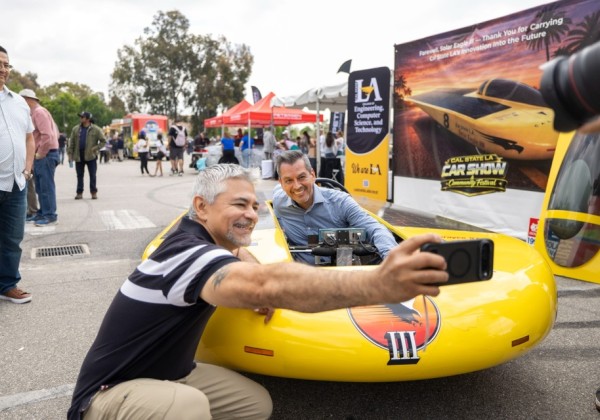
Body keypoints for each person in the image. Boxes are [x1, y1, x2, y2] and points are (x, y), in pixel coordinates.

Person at [67, 164, 449, 420]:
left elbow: (240, 255)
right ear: (201, 207)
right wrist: (379, 284)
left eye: (254, 205)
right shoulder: (186, 252)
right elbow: (267, 283)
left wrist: (250, 266)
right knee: (188, 406)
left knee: (254, 405)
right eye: (238, 204)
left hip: (169, 374)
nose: (251, 214)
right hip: (107, 393)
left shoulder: (204, 240)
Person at [272, 150, 398, 265]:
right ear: (281, 183)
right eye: (288, 180)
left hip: (341, 274)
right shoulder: (279, 202)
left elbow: (376, 229)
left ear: (312, 175)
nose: (296, 186)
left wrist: (392, 260)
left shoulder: (340, 202)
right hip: (300, 276)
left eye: (301, 177)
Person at [0, 45, 35, 304]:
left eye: (6, 65)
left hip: (16, 183)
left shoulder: (19, 102)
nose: (3, 70)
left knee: (12, 239)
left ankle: (8, 284)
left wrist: (27, 169)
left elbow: (29, 138)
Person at [19, 89, 60, 226]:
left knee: (46, 186)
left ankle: (50, 215)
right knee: (41, 187)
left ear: (27, 100)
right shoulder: (38, 112)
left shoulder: (38, 112)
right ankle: (44, 212)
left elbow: (47, 135)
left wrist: (40, 153)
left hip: (46, 154)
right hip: (45, 154)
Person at [68, 111, 106, 200]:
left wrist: (95, 148)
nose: (80, 118)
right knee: (79, 175)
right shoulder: (75, 129)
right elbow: (72, 143)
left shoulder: (96, 129)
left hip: (91, 156)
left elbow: (103, 141)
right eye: (80, 117)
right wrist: (70, 154)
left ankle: (93, 192)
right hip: (78, 155)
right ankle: (79, 192)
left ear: (88, 119)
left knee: (92, 175)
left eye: (82, 117)